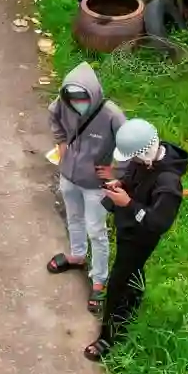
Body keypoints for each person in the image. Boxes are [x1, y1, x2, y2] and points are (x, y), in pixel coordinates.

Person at [86, 119, 188, 361]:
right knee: (134, 271)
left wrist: (129, 204)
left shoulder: (168, 183)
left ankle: (107, 337)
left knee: (117, 282)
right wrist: (120, 184)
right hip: (127, 227)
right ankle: (134, 298)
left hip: (140, 237)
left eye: (132, 157)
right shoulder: (145, 158)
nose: (129, 162)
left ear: (145, 150)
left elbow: (158, 223)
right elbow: (134, 178)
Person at [45, 62, 126, 311]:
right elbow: (53, 114)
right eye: (72, 98)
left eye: (82, 97)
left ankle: (99, 280)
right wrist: (60, 143)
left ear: (93, 93)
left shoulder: (112, 115)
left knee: (96, 230)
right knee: (74, 218)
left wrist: (116, 172)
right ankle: (78, 256)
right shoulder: (63, 103)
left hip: (95, 185)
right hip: (69, 176)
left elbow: (130, 146)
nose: (76, 102)